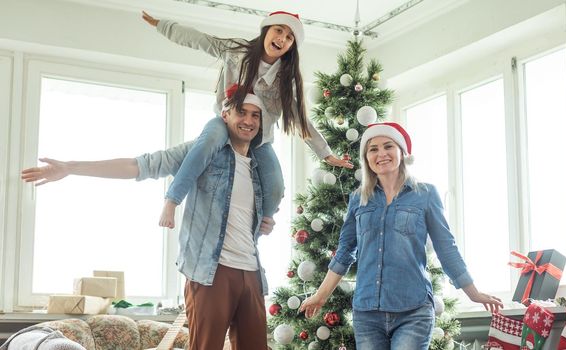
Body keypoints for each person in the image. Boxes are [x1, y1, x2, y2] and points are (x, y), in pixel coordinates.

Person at [22, 89, 274, 350]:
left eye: (255, 115)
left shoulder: (261, 166)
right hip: (211, 272)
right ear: (225, 115)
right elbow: (142, 165)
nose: (248, 121)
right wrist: (71, 167)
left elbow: (256, 212)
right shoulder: (202, 152)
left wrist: (267, 220)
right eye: (241, 112)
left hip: (252, 271)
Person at [299, 122, 503, 349]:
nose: (381, 153)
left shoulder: (425, 194)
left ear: (402, 153)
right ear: (366, 158)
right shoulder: (358, 199)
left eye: (388, 146)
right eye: (373, 149)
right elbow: (345, 252)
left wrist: (472, 293)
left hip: (413, 310)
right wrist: (320, 295)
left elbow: (446, 248)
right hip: (367, 313)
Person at [141, 10, 353, 229]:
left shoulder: (284, 80)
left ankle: (260, 226)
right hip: (226, 125)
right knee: (204, 146)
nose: (282, 38)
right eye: (278, 30)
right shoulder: (235, 52)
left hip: (259, 138)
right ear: (266, 30)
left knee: (276, 188)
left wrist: (325, 154)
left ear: (291, 46)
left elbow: (300, 118)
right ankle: (172, 199)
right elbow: (198, 39)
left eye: (289, 37)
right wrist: (160, 24)